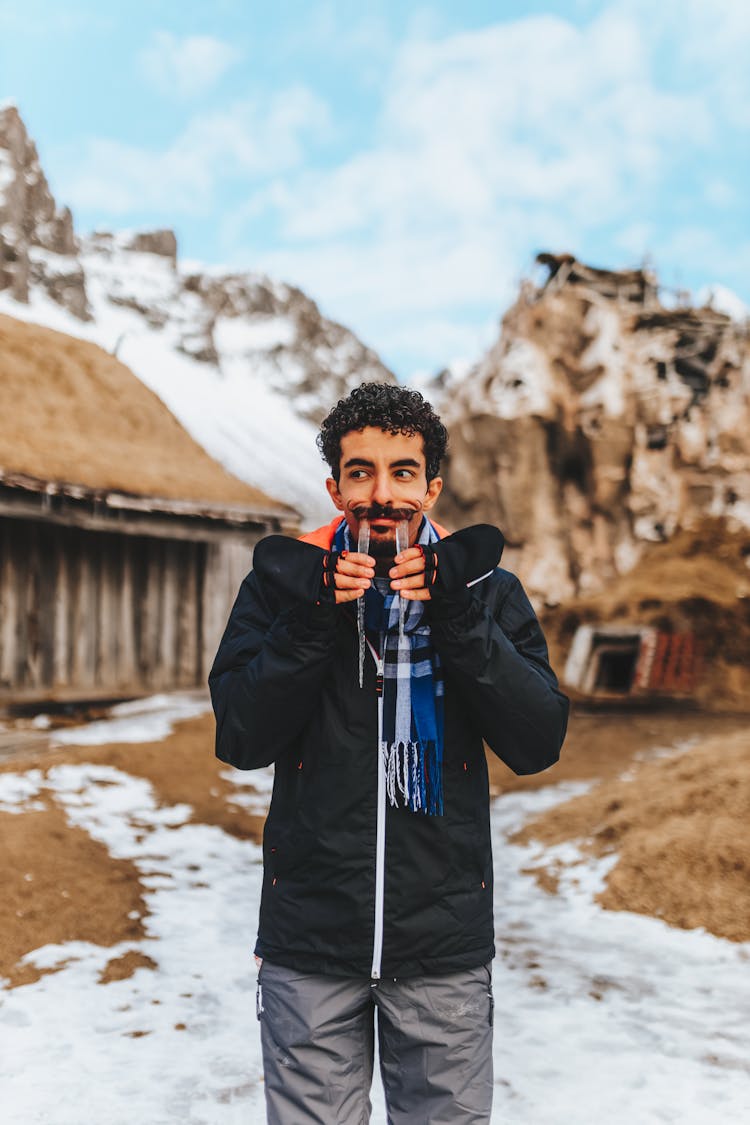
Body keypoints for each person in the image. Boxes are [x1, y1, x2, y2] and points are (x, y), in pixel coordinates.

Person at [209, 383, 568, 1124]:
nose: (382, 492)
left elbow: (537, 741)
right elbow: (241, 735)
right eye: (361, 471)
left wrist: (457, 617)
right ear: (336, 486)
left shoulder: (487, 593)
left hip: (442, 950)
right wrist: (316, 617)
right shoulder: (281, 590)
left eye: (402, 471)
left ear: (431, 486)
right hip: (310, 944)